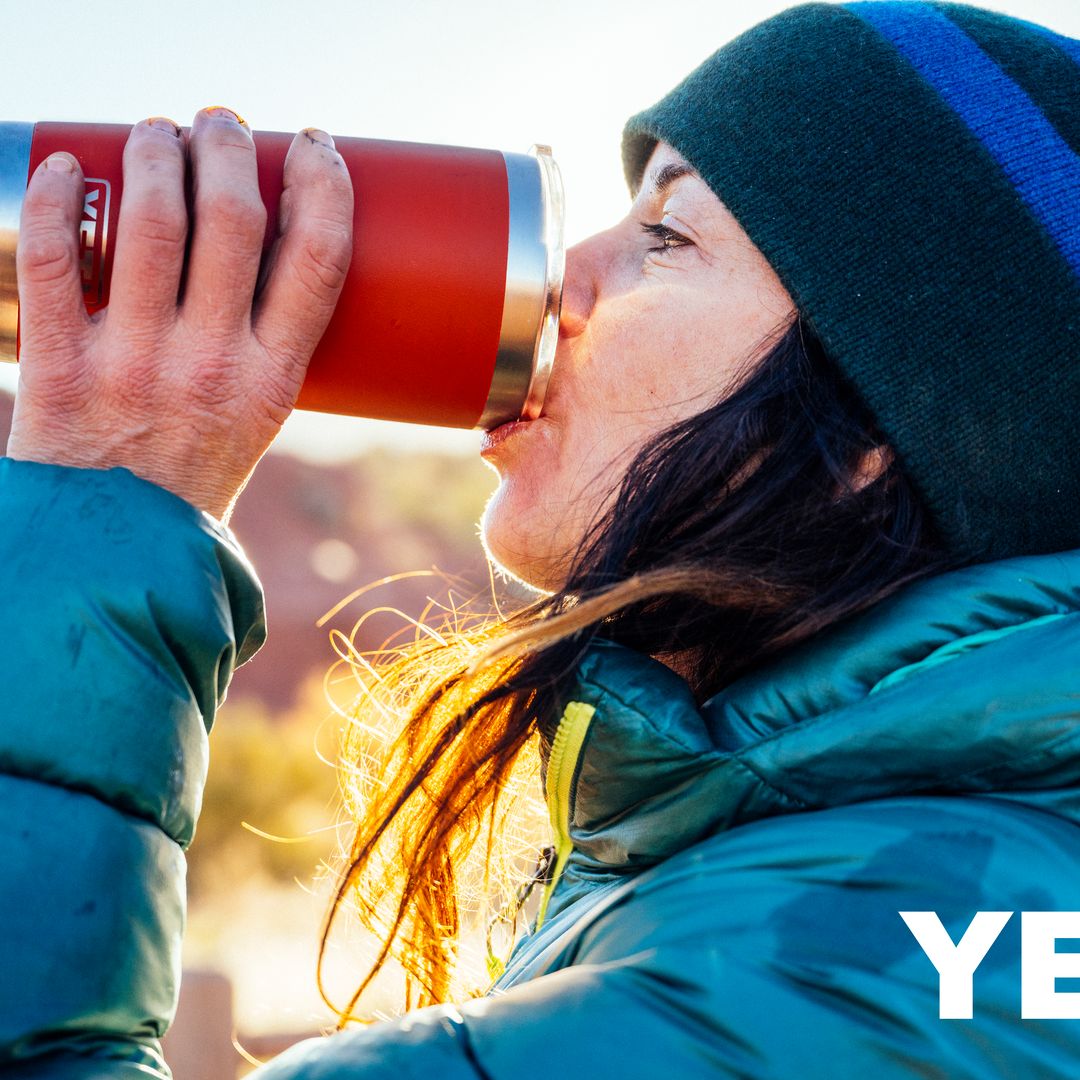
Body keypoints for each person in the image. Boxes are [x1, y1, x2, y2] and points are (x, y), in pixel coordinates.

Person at [3, 1, 1080, 1076]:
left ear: (884, 433)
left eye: (669, 236)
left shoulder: (841, 959)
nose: (563, 284)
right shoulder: (875, 888)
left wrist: (104, 515)